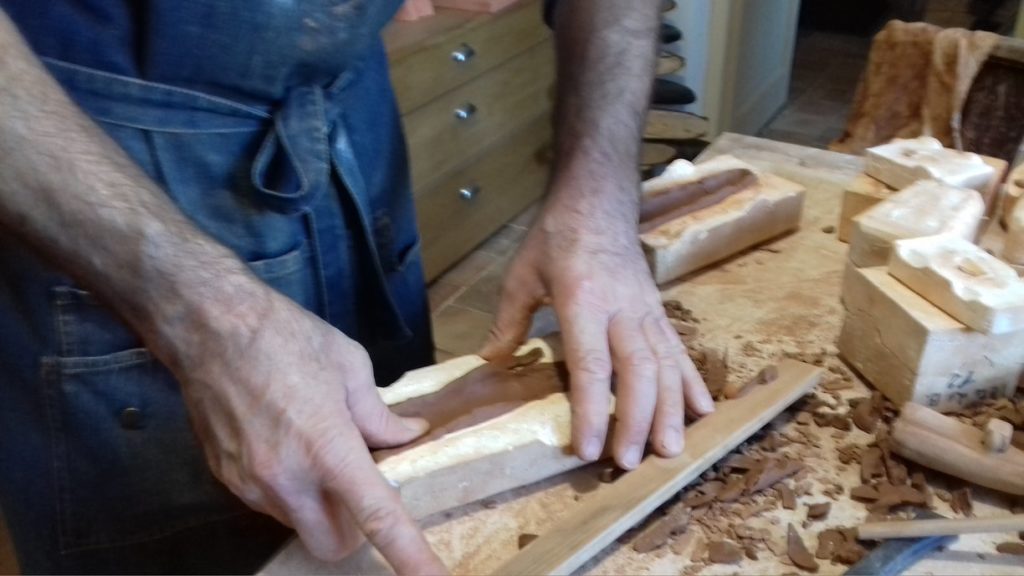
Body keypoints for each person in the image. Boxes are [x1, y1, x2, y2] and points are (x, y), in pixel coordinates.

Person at [0, 0, 713, 573]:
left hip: (348, 117)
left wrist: (599, 200)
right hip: (94, 172)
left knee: (403, 491)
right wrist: (204, 315)